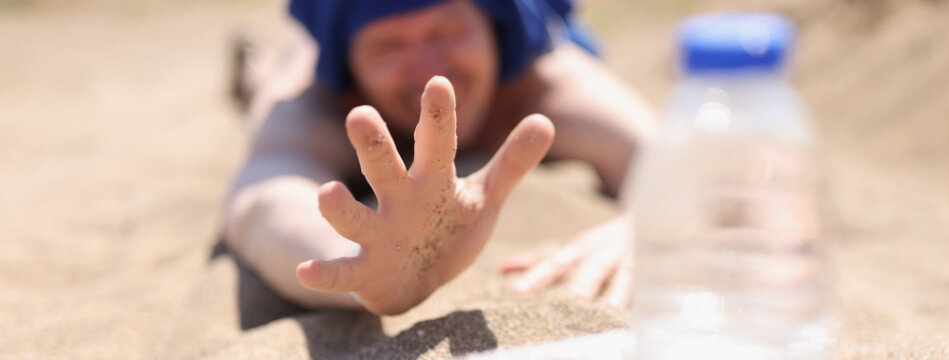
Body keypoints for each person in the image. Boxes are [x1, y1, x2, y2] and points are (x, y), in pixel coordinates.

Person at [224, 0, 656, 316]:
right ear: (350, 66)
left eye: (449, 29)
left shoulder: (545, 81)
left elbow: (674, 162)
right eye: (386, 46)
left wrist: (651, 228)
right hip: (301, 65)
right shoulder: (318, 102)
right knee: (276, 81)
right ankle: (255, 70)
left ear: (494, 27)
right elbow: (263, 200)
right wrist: (361, 267)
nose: (429, 69)